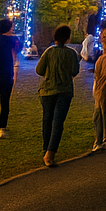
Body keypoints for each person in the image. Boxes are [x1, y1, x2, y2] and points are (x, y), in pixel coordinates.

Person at [35, 24, 81, 167]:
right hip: (64, 91)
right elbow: (75, 71)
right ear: (67, 38)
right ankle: (50, 153)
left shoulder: (48, 52)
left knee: (47, 120)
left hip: (47, 90)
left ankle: (46, 150)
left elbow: (39, 70)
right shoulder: (72, 53)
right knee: (58, 122)